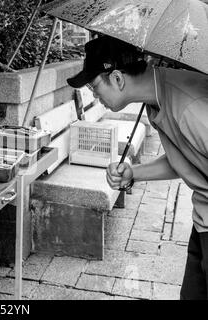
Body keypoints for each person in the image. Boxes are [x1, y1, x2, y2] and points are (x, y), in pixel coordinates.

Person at [66, 35, 208, 300]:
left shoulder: (190, 107)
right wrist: (134, 174)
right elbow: (188, 160)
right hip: (202, 222)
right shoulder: (158, 96)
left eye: (95, 87)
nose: (95, 95)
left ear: (118, 78)